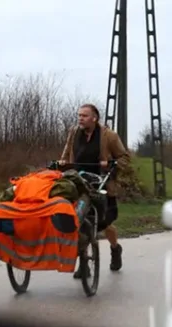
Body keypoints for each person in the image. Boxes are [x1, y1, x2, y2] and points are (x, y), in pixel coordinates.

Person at [58, 103, 131, 278]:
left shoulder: (108, 136)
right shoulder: (74, 133)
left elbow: (124, 158)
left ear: (94, 118)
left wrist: (111, 164)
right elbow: (66, 154)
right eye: (79, 115)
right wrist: (62, 163)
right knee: (80, 222)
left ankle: (115, 248)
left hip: (101, 183)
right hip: (79, 183)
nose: (80, 119)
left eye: (84, 116)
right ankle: (84, 265)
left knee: (105, 224)